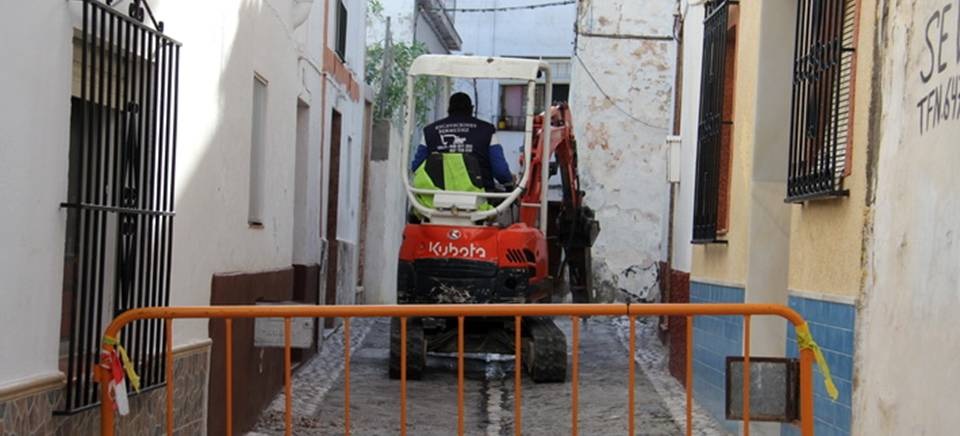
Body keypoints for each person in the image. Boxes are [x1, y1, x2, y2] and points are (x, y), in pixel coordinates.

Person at [411, 93, 514, 191]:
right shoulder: (487, 130)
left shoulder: (429, 131)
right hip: (481, 198)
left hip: (435, 196)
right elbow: (500, 171)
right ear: (471, 108)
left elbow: (417, 166)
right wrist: (509, 181)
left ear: (449, 109)